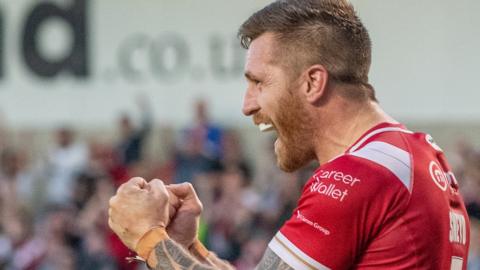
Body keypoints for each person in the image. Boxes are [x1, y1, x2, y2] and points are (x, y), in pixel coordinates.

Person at [108, 0, 471, 269]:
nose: (247, 106)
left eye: (259, 83)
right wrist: (187, 248)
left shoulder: (358, 176)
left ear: (313, 82)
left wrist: (146, 236)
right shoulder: (416, 153)